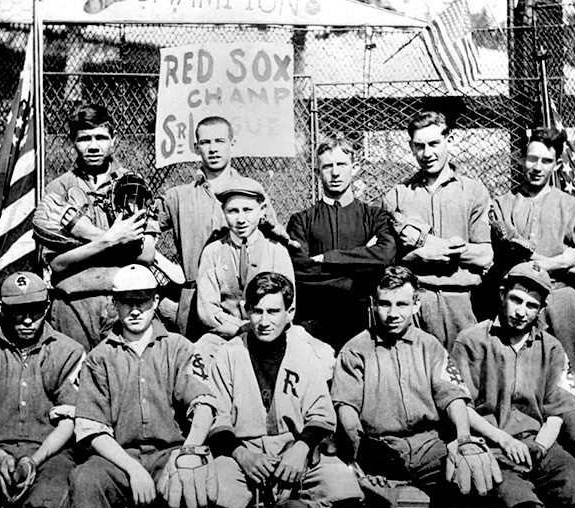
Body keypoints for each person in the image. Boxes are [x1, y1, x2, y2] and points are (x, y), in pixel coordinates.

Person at [331, 266, 501, 508]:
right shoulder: (354, 350)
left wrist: (463, 439)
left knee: (474, 486)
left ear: (416, 304)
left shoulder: (430, 345)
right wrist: (362, 453)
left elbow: (453, 397)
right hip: (382, 449)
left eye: (401, 304)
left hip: (430, 447)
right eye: (384, 304)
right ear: (373, 304)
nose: (392, 314)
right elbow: (346, 409)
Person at [450, 262, 575, 508]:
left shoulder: (551, 347)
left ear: (542, 309)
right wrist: (504, 440)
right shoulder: (472, 341)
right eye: (516, 300)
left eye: (531, 305)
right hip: (491, 446)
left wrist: (540, 446)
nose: (521, 312)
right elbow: (460, 406)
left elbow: (556, 413)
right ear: (502, 295)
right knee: (519, 501)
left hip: (538, 444)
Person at [206, 272, 363, 508]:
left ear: (289, 313)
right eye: (257, 311)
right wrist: (242, 455)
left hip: (295, 450)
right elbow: (217, 419)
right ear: (246, 310)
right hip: (241, 454)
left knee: (343, 486)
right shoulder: (228, 354)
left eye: (273, 311)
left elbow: (321, 415)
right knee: (216, 488)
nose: (264, 321)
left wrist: (301, 448)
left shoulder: (304, 353)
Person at [69, 264, 218, 508]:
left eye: (143, 301)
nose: (136, 310)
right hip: (119, 459)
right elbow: (92, 430)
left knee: (193, 477)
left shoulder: (178, 347)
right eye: (127, 302)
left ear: (156, 300)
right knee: (85, 478)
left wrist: (188, 452)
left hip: (170, 454)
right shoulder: (99, 357)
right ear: (115, 303)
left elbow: (204, 404)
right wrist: (134, 470)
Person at [490, 126, 575, 454]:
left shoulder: (571, 206)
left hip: (563, 300)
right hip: (520, 302)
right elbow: (510, 256)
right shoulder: (502, 203)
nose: (537, 167)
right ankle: (526, 447)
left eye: (546, 160)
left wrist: (544, 264)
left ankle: (574, 447)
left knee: (570, 373)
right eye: (531, 158)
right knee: (520, 371)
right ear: (520, 158)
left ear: (556, 163)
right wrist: (564, 258)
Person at [0, 271, 85, 508]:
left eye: (35, 309)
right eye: (18, 310)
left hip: (49, 453)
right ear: (2, 309)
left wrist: (34, 461)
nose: (27, 320)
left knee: (50, 498)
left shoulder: (69, 352)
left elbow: (69, 423)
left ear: (47, 307)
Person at [32, 103, 157, 350]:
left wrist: (80, 237)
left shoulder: (133, 184)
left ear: (114, 141)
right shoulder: (59, 189)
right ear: (73, 142)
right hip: (72, 304)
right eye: (84, 138)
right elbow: (57, 263)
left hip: (123, 303)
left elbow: (147, 254)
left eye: (100, 137)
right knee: (75, 378)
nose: (92, 146)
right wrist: (110, 239)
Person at [154, 116, 291, 338]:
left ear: (232, 144)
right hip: (195, 305)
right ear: (196, 147)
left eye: (219, 141)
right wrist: (166, 275)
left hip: (247, 305)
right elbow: (142, 232)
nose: (213, 149)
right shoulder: (179, 196)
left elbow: (275, 237)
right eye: (206, 142)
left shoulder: (251, 192)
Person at [382, 110, 493, 349]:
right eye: (419, 146)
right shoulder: (397, 195)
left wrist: (442, 249)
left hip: (463, 304)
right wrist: (420, 254)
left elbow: (485, 255)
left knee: (465, 379)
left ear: (449, 141)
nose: (427, 153)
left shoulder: (473, 191)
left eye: (434, 143)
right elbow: (389, 257)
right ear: (411, 147)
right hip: (415, 304)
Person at [287, 133, 396, 351]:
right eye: (327, 166)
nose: (335, 172)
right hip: (315, 321)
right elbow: (301, 270)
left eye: (341, 164)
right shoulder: (301, 220)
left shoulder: (375, 216)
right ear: (317, 172)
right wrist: (361, 268)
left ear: (354, 167)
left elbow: (385, 255)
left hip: (363, 321)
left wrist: (328, 258)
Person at [194, 177, 295, 362]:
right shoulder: (212, 252)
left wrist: (257, 326)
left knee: (314, 355)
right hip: (224, 335)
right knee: (198, 356)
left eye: (248, 210)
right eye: (233, 211)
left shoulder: (276, 251)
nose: (241, 219)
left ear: (262, 211)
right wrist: (241, 328)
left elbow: (289, 306)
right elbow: (207, 311)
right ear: (223, 212)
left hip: (270, 333)